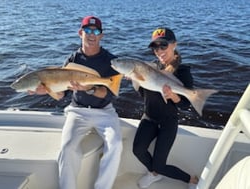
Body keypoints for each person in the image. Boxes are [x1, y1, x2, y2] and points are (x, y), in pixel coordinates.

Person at [29, 16, 122, 189]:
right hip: (77, 111)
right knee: (67, 148)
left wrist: (88, 88)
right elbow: (61, 95)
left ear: (101, 35)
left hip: (104, 111)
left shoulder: (111, 61)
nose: (91, 34)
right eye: (87, 30)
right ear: (80, 33)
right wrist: (46, 90)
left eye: (96, 31)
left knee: (116, 144)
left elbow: (109, 95)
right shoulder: (71, 60)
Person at [132, 27, 198, 189]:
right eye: (155, 47)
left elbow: (185, 104)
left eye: (163, 46)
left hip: (168, 122)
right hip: (149, 117)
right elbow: (143, 94)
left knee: (160, 165)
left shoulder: (182, 71)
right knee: (138, 150)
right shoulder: (150, 67)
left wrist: (173, 96)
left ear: (174, 45)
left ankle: (191, 180)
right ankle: (153, 174)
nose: (159, 51)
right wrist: (136, 80)